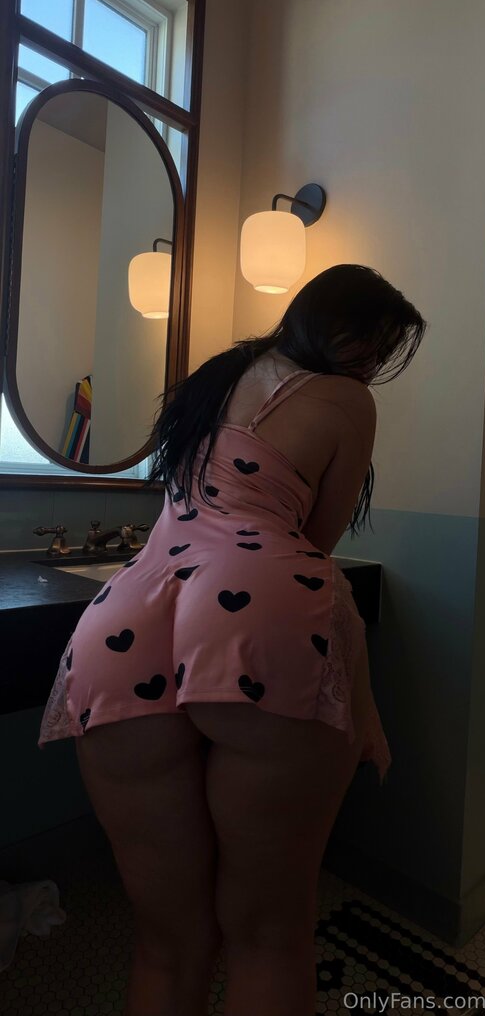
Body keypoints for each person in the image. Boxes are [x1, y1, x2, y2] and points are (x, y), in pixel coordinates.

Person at [38, 263, 427, 1016]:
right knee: (268, 936)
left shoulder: (212, 379)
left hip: (124, 619)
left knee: (165, 942)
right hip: (258, 614)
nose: (372, 362)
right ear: (327, 324)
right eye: (371, 342)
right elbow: (311, 540)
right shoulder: (345, 399)